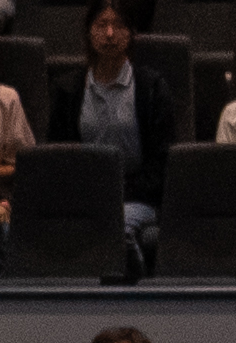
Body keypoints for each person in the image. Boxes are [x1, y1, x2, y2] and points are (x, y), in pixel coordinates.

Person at [39, 10, 178, 273]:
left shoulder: (152, 87)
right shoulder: (67, 88)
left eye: (119, 25)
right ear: (89, 32)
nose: (110, 34)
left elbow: (164, 164)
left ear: (132, 33)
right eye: (102, 25)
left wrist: (115, 194)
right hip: (83, 195)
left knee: (116, 227)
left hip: (140, 197)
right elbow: (57, 159)